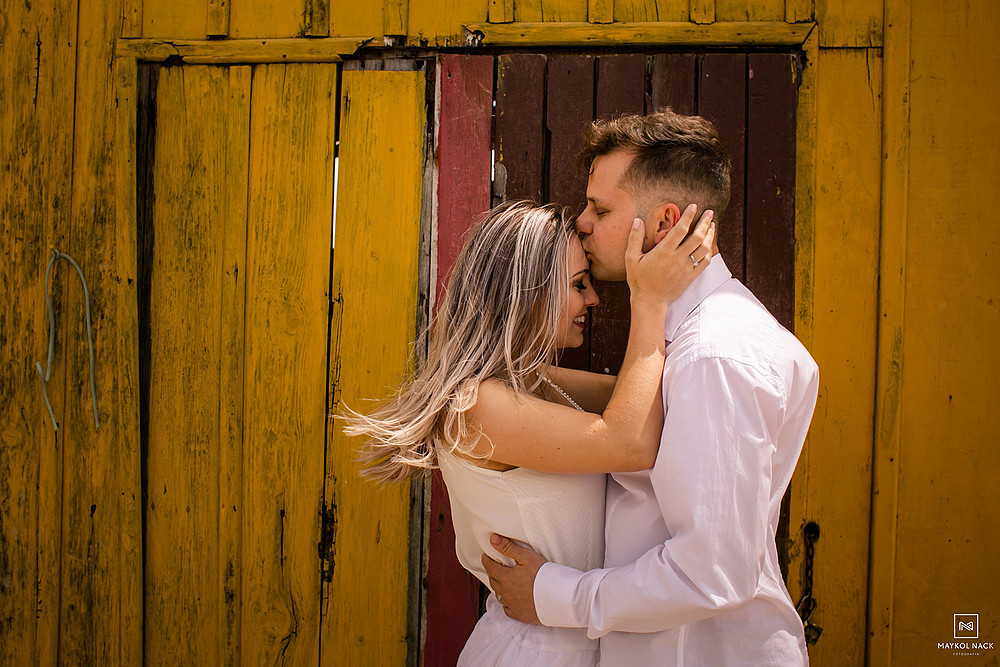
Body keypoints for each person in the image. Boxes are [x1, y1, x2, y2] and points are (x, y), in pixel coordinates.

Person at [483, 110, 820, 666]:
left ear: (664, 223)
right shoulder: (682, 339)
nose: (582, 223)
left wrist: (553, 595)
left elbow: (708, 570)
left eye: (601, 208)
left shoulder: (717, 353)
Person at [344, 199, 715, 665]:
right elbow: (631, 440)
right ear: (527, 291)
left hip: (571, 632)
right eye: (579, 285)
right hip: (535, 650)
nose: (593, 300)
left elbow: (650, 397)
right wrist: (651, 300)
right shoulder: (476, 404)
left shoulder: (531, 382)